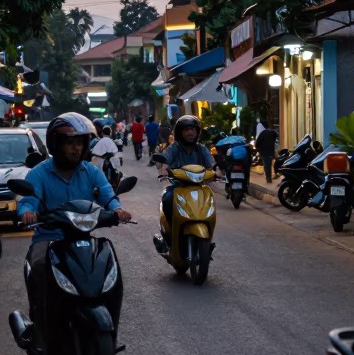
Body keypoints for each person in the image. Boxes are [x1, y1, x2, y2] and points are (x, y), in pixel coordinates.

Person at [17, 114, 131, 338]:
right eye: (70, 143)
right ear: (56, 144)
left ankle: (109, 329)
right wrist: (28, 213)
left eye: (79, 143)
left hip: (82, 238)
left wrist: (117, 209)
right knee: (38, 266)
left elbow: (107, 196)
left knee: (109, 267)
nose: (76, 148)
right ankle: (40, 323)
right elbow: (28, 200)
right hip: (49, 239)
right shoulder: (39, 173)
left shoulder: (91, 172)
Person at [158, 114, 215, 224]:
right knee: (167, 198)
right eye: (186, 129)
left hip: (199, 187)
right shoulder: (174, 148)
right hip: (177, 187)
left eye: (192, 129)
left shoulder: (201, 149)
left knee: (210, 199)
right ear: (180, 133)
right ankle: (170, 230)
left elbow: (211, 166)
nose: (190, 132)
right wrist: (164, 171)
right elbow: (164, 162)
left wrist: (216, 173)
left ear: (197, 131)